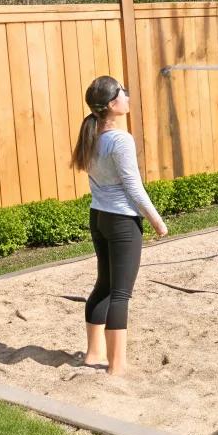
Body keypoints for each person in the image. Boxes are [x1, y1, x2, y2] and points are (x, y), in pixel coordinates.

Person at [70, 75, 168, 377]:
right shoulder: (120, 139)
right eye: (122, 92)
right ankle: (117, 365)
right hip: (122, 221)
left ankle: (93, 354)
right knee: (121, 294)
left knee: (104, 285)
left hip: (98, 217)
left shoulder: (92, 131)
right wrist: (157, 221)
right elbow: (134, 188)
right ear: (112, 104)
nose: (127, 95)